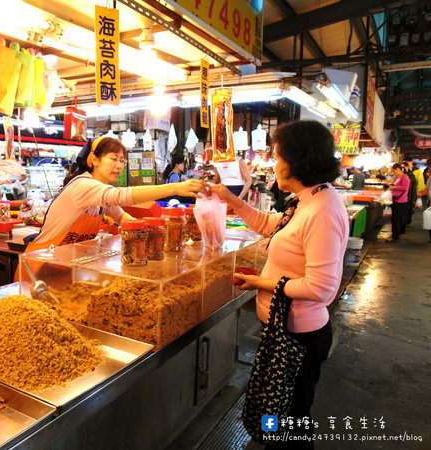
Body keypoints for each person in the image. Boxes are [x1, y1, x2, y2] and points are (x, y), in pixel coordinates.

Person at [212, 121, 349, 447]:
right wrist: (232, 201)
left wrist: (262, 282)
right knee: (278, 418)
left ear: (297, 159)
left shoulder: (323, 210)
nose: (273, 162)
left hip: (299, 337)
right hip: (282, 328)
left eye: (276, 155)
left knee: (290, 426)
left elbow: (322, 289)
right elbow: (273, 225)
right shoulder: (307, 199)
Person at [23, 136, 206, 253]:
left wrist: (160, 234)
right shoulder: (84, 185)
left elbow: (123, 218)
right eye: (113, 159)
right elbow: (120, 195)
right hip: (40, 264)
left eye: (122, 161)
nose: (119, 166)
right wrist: (174, 188)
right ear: (95, 160)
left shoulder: (100, 194)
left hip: (65, 262)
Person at [386, 163, 410, 243]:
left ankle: (395, 236)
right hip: (396, 200)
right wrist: (391, 185)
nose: (393, 173)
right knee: (396, 219)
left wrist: (393, 187)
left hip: (401, 201)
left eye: (394, 171)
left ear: (398, 169)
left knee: (396, 219)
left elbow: (405, 188)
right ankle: (396, 234)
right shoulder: (397, 177)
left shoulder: (405, 177)